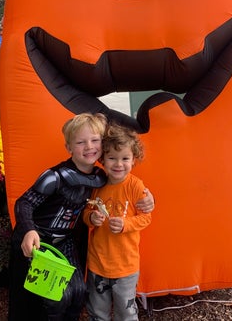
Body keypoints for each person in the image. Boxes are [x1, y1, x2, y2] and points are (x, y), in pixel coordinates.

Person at [8, 113, 154, 321]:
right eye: (80, 142)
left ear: (102, 145)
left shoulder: (100, 178)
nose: (89, 147)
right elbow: (24, 202)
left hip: (66, 243)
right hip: (39, 241)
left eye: (95, 140)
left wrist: (149, 199)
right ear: (69, 147)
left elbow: (125, 188)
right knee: (56, 297)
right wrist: (29, 229)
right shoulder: (55, 177)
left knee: (78, 292)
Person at [83, 123, 151, 321]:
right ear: (102, 159)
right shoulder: (97, 184)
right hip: (97, 263)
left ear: (133, 159)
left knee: (126, 313)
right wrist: (91, 218)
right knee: (97, 312)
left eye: (125, 158)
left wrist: (125, 225)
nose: (118, 164)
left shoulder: (135, 186)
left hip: (126, 266)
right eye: (112, 158)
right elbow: (86, 212)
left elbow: (146, 217)